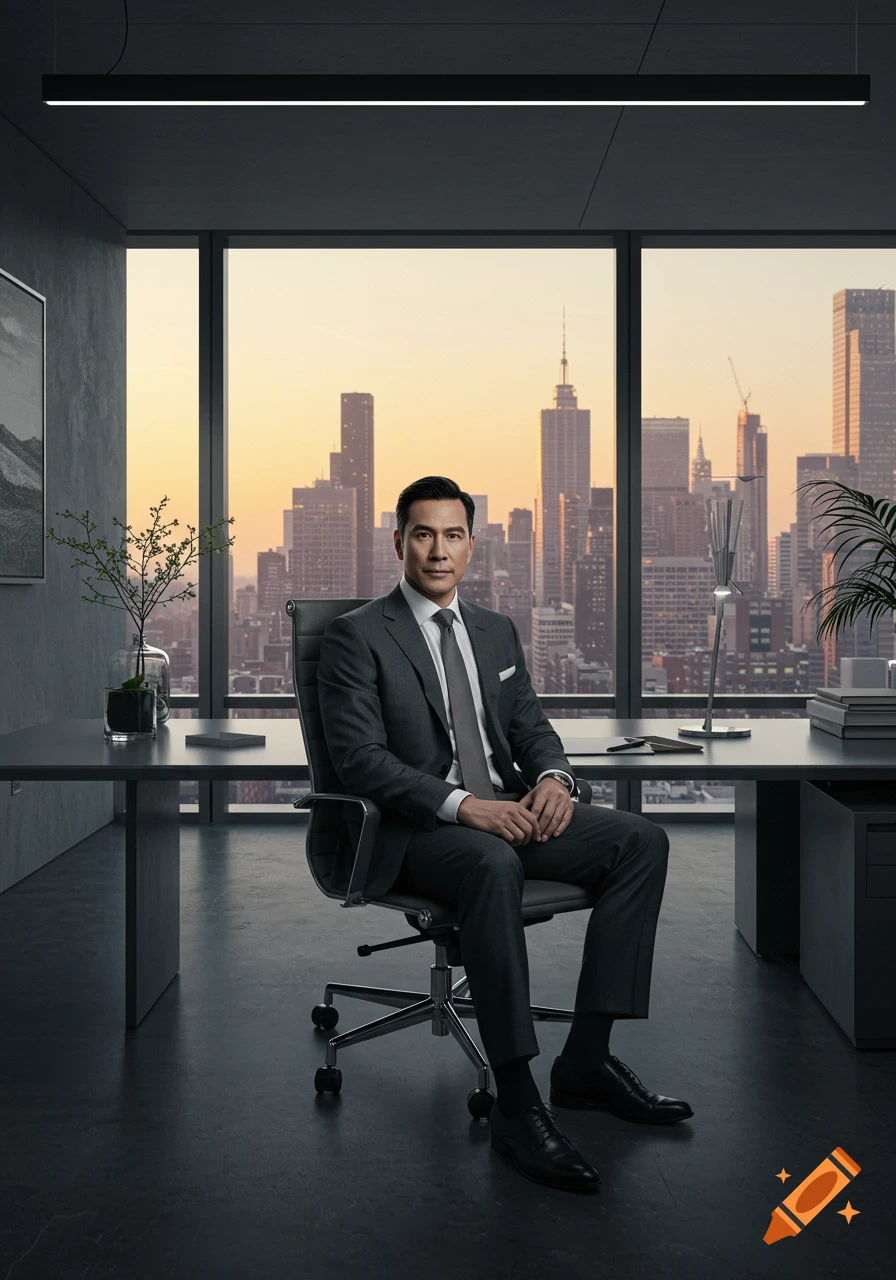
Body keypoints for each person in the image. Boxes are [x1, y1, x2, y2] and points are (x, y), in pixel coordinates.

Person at [317, 475, 692, 1194]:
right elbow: (361, 762)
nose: (437, 550)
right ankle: (519, 1106)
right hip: (417, 830)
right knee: (492, 865)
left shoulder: (495, 630)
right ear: (399, 542)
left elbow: (534, 731)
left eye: (452, 535)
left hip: (514, 810)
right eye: (422, 534)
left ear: (472, 546)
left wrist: (554, 779)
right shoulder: (356, 636)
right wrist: (465, 805)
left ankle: (585, 1061)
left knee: (640, 841)